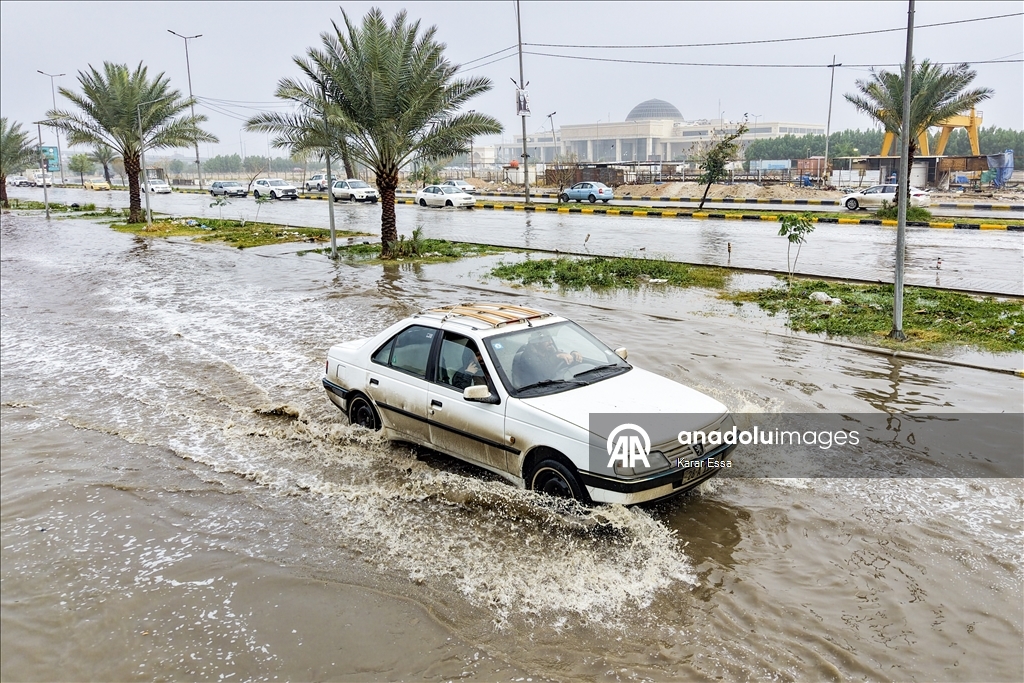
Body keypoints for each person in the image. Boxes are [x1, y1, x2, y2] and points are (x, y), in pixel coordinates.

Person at [513, 332, 582, 387]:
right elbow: (542, 373)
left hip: (555, 382)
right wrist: (556, 357)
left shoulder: (548, 350)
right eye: (546, 340)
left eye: (550, 339)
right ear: (537, 343)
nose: (551, 342)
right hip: (536, 387)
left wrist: (573, 354)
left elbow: (561, 354)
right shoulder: (528, 358)